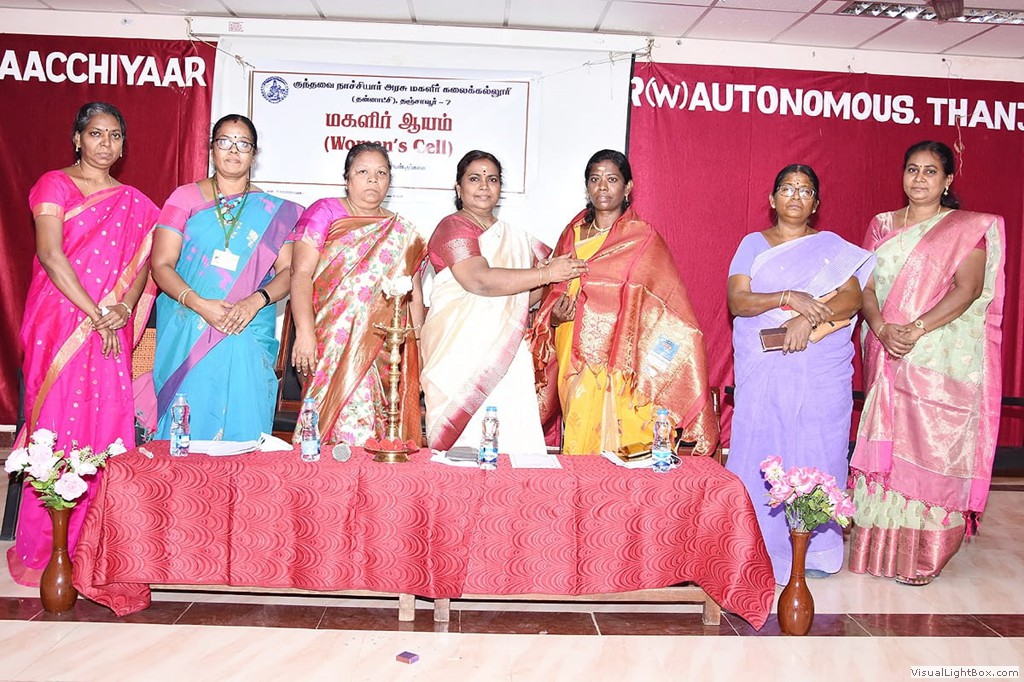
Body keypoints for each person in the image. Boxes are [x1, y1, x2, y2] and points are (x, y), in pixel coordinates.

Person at [9, 102, 159, 586]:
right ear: (77, 138)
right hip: (59, 322)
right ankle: (46, 547)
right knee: (55, 425)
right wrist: (96, 313)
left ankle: (98, 547)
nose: (105, 144)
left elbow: (144, 266)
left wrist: (123, 309)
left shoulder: (136, 203)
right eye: (96, 133)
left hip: (109, 327)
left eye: (115, 136)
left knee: (104, 423)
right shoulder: (53, 185)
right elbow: (51, 255)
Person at [849, 141, 1005, 586]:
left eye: (931, 171)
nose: (919, 178)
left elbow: (967, 289)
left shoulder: (965, 228)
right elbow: (865, 286)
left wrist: (915, 329)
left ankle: (923, 556)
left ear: (948, 180)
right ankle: (881, 550)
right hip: (887, 350)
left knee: (927, 447)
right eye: (913, 169)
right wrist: (881, 327)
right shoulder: (882, 224)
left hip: (935, 355)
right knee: (889, 451)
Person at [726, 164, 874, 584]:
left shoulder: (831, 249)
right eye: (787, 188)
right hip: (765, 371)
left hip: (819, 374)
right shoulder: (753, 245)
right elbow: (739, 301)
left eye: (805, 190)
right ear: (772, 199)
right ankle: (756, 547)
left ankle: (816, 551)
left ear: (816, 204)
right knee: (763, 449)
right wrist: (789, 297)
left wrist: (806, 321)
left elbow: (851, 298)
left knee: (817, 449)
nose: (795, 196)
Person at [532, 149, 718, 455]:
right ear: (587, 187)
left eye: (612, 179)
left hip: (624, 354)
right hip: (574, 350)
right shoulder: (572, 234)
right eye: (595, 179)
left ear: (627, 187)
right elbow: (552, 291)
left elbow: (666, 304)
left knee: (626, 434)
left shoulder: (643, 239)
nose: (602, 186)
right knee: (580, 426)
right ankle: (582, 485)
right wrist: (553, 317)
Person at [420, 150, 584, 452]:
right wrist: (546, 273)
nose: (484, 186)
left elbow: (527, 296)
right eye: (474, 179)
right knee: (463, 452)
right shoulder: (452, 227)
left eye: (492, 179)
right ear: (458, 188)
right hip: (459, 354)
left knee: (512, 442)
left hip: (506, 353)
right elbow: (479, 280)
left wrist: (552, 281)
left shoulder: (516, 239)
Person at [150, 114, 301, 440]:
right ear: (211, 148)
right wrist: (200, 304)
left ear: (254, 154)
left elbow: (289, 271)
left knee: (242, 425)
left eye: (243, 143)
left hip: (248, 324)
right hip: (190, 324)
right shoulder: (184, 198)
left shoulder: (273, 212)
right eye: (225, 141)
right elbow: (160, 265)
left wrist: (254, 301)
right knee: (188, 426)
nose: (234, 150)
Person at [289, 143, 426, 446]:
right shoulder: (325, 212)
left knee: (379, 430)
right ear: (347, 178)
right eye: (363, 172)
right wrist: (305, 332)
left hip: (384, 350)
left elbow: (414, 296)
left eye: (381, 173)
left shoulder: (403, 231)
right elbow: (300, 274)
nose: (373, 179)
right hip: (329, 341)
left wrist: (417, 350)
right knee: (328, 425)